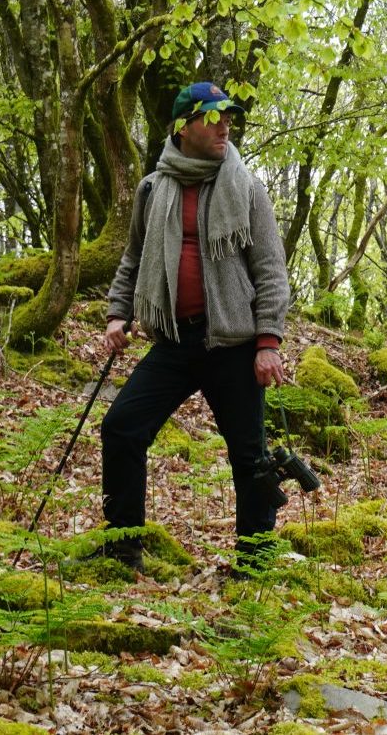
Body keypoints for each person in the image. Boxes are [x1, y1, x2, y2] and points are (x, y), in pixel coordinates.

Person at [97, 80, 291, 574]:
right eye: (214, 117)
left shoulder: (246, 188)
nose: (226, 126)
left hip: (234, 345)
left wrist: (268, 342)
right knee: (122, 427)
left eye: (229, 117)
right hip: (174, 340)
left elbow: (271, 270)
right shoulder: (152, 189)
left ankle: (255, 566)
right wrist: (118, 313)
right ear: (183, 127)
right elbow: (133, 258)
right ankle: (123, 549)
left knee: (250, 458)